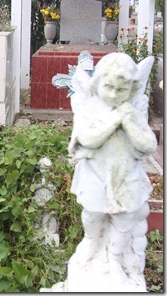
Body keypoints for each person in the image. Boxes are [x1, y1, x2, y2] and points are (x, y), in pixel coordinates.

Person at [67, 53, 157, 290]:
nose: (115, 95)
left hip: (126, 177)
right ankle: (92, 246)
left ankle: (115, 261)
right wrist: (114, 121)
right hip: (96, 175)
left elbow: (148, 145)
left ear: (132, 88)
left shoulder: (132, 113)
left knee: (124, 220)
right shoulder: (92, 110)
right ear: (97, 84)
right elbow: (87, 138)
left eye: (122, 89)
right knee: (93, 214)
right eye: (109, 88)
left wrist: (128, 122)